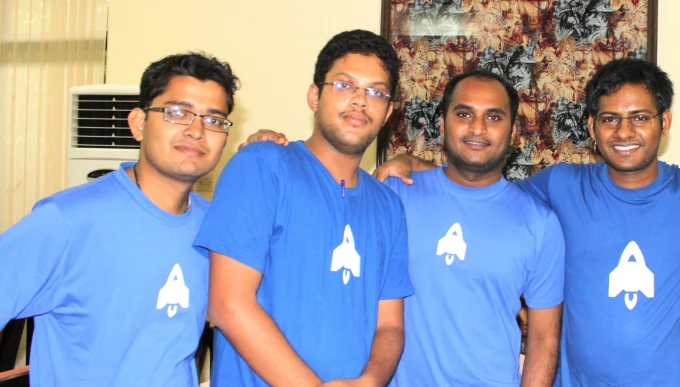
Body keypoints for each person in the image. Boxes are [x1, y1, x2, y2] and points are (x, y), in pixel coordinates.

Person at [372, 58, 680, 385]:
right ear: (591, 127)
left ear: (664, 123)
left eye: (640, 118)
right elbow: (478, 187)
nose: (624, 132)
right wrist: (410, 163)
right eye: (609, 119)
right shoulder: (560, 186)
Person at [0, 52, 239, 386]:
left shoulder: (217, 226)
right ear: (139, 123)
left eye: (214, 120)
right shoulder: (66, 221)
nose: (197, 130)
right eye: (178, 112)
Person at [195, 30, 413, 386]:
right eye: (344, 85)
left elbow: (389, 324)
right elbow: (228, 304)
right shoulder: (263, 166)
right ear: (315, 96)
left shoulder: (388, 205)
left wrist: (371, 380)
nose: (360, 100)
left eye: (375, 92)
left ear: (388, 111)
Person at [385, 70, 564, 386]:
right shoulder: (397, 194)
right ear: (442, 124)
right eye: (464, 113)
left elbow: (543, 340)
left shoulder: (539, 223)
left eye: (493, 117)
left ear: (513, 134)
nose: (477, 128)